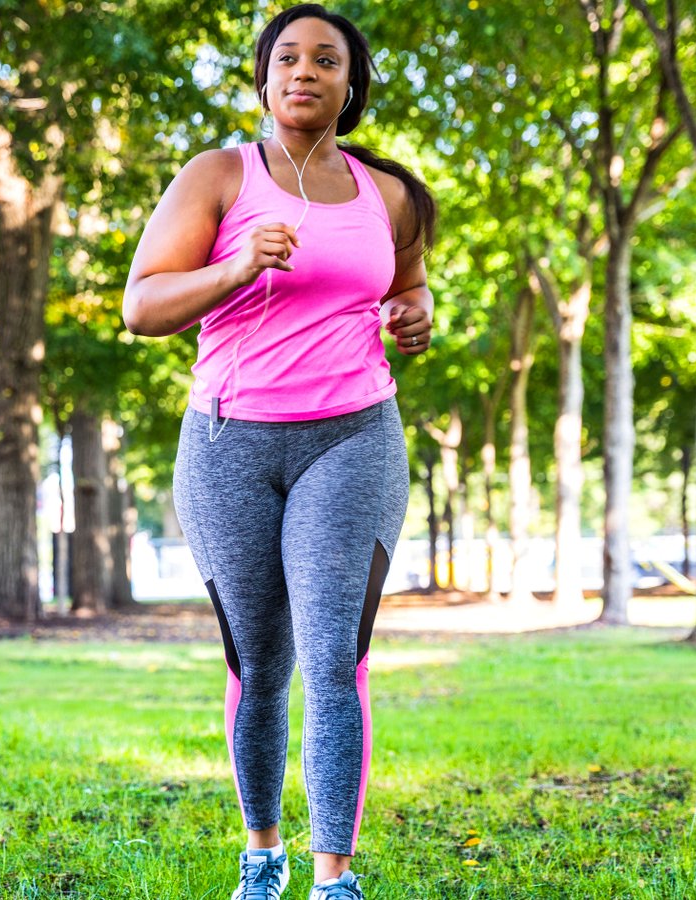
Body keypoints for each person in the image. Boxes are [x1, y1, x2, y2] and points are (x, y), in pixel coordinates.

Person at [122, 4, 437, 898]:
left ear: (350, 84)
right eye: (288, 58)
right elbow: (141, 308)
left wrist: (414, 321)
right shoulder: (219, 176)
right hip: (228, 441)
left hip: (352, 436)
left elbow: (407, 291)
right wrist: (234, 267)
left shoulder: (389, 194)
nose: (305, 71)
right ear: (264, 80)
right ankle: (263, 857)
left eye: (326, 60)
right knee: (258, 661)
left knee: (336, 656)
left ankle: (335, 877)